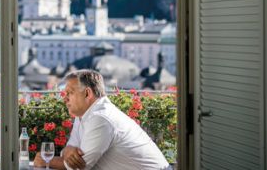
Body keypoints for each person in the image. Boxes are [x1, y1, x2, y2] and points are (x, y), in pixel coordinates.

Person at [33, 69, 170, 170]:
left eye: (70, 93)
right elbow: (69, 149)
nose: (65, 97)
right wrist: (68, 151)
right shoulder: (84, 114)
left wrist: (46, 161)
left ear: (87, 93)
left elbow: (79, 166)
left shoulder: (101, 118)